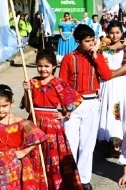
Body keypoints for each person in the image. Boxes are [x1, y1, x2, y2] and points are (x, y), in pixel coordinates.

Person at [59, 24, 113, 190]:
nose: (91, 44)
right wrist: (65, 107)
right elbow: (62, 83)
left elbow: (107, 75)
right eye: (87, 41)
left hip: (92, 102)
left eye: (92, 40)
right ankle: (69, 178)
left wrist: (96, 56)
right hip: (73, 104)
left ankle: (84, 179)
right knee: (71, 142)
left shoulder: (97, 56)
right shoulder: (69, 58)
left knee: (88, 144)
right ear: (78, 41)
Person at [22, 49, 83, 190]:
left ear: (54, 66)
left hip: (52, 127)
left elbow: (77, 99)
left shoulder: (58, 83)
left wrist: (65, 113)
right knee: (34, 156)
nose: (43, 69)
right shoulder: (32, 83)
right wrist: (26, 91)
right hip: (34, 124)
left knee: (51, 157)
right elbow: (27, 107)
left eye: (46, 66)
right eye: (40, 66)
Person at [97, 21, 126, 157]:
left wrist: (111, 75)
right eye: (112, 33)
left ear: (121, 33)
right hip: (106, 84)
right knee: (106, 111)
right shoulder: (102, 49)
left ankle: (122, 145)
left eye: (117, 32)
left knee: (121, 111)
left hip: (120, 83)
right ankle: (106, 144)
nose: (114, 35)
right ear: (107, 33)